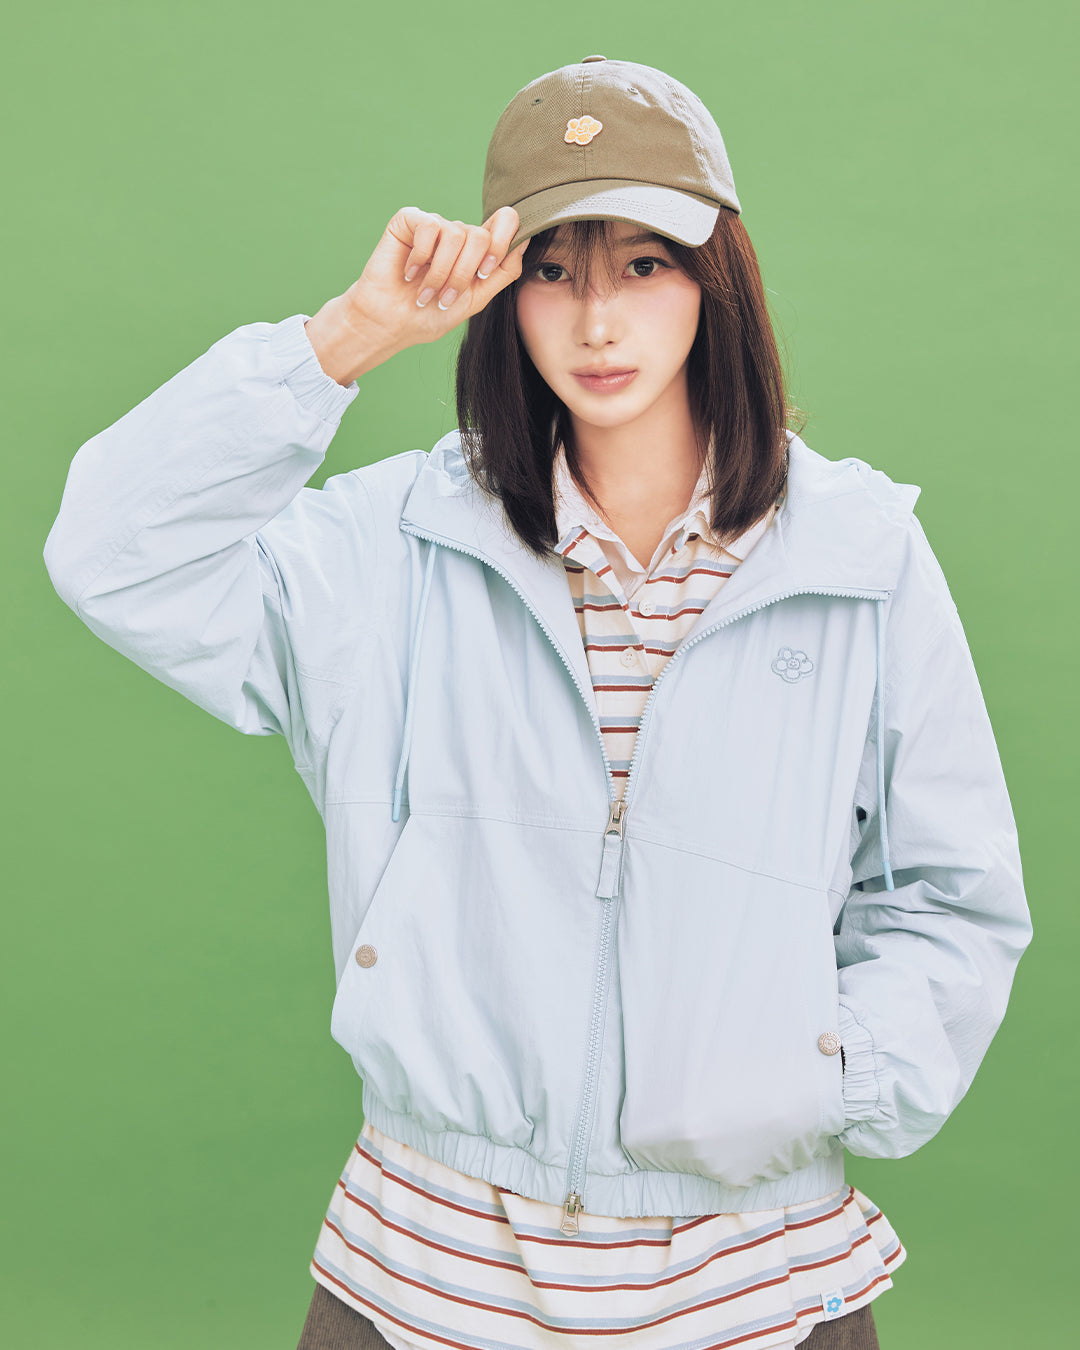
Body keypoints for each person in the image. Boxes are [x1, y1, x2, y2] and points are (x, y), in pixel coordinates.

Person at [43, 55, 1030, 1350]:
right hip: (419, 1287)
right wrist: (348, 337)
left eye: (644, 265)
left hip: (758, 1296)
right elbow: (112, 551)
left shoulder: (857, 556)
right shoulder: (394, 547)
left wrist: (822, 1073)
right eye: (553, 271)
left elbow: (953, 894)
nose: (596, 321)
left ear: (717, 279)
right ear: (502, 293)